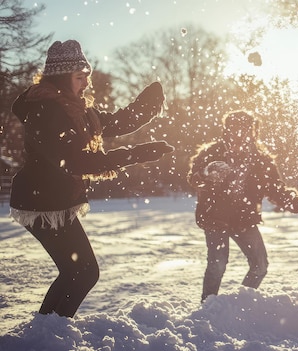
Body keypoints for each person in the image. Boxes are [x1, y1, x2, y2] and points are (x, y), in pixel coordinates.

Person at [9, 40, 174, 318]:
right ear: (61, 77)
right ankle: (50, 331)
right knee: (83, 272)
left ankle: (46, 330)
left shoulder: (76, 109)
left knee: (76, 272)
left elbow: (117, 122)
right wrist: (135, 154)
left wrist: (145, 106)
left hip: (54, 200)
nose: (86, 83)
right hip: (41, 203)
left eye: (86, 76)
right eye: (79, 77)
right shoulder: (45, 111)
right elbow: (73, 162)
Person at [188, 110, 298, 302]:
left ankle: (239, 304)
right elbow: (193, 178)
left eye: (245, 130)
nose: (239, 134)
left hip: (244, 220)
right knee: (218, 265)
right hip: (215, 218)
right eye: (234, 129)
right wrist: (205, 174)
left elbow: (277, 191)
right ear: (227, 130)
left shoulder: (262, 161)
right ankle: (208, 307)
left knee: (260, 266)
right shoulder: (212, 152)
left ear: (253, 132)